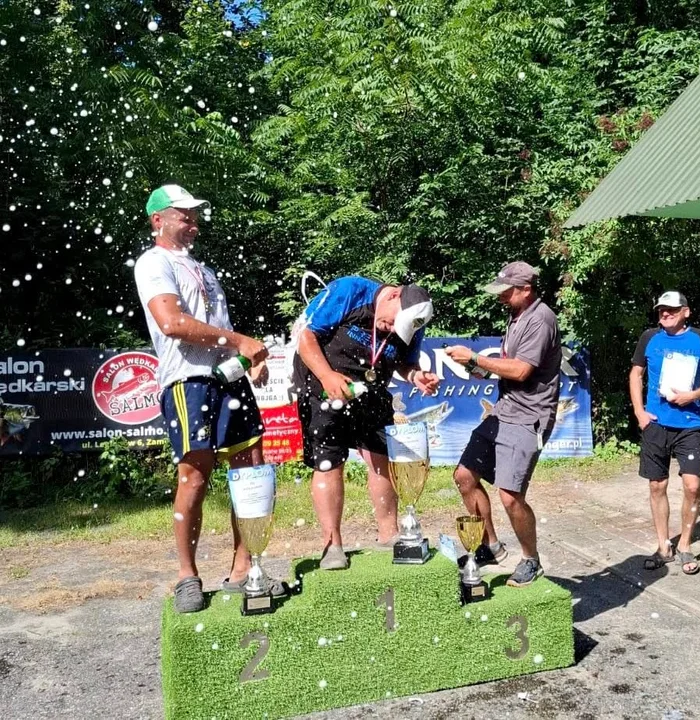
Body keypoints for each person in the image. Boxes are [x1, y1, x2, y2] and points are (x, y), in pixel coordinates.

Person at [134, 184, 276, 613]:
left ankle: (244, 569)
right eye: (184, 215)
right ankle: (187, 577)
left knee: (250, 470)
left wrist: (246, 359)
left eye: (195, 215)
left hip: (228, 379)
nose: (193, 222)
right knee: (194, 477)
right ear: (158, 219)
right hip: (188, 381)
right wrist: (241, 341)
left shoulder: (204, 269)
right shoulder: (153, 262)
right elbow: (172, 323)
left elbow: (218, 329)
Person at [294, 276, 439, 570]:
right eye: (392, 322)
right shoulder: (351, 290)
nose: (392, 329)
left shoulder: (415, 320)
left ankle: (389, 534)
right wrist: (327, 376)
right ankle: (332, 545)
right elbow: (305, 337)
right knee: (329, 462)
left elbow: (404, 362)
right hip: (324, 385)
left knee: (380, 456)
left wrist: (416, 376)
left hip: (372, 390)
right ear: (393, 296)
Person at [446, 261, 561, 588]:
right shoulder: (517, 316)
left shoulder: (541, 319)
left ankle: (531, 560)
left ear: (526, 289)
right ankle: (490, 547)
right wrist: (477, 370)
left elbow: (521, 371)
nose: (501, 297)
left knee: (510, 496)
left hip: (529, 417)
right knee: (464, 476)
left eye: (506, 292)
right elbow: (507, 367)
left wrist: (474, 358)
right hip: (504, 410)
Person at [630, 291, 700, 575]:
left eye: (672, 309)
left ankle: (684, 545)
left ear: (686, 311)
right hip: (655, 423)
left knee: (692, 486)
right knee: (656, 486)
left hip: (690, 423)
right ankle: (663, 546)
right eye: (662, 309)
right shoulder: (650, 337)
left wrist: (693, 395)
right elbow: (635, 373)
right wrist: (639, 412)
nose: (665, 313)